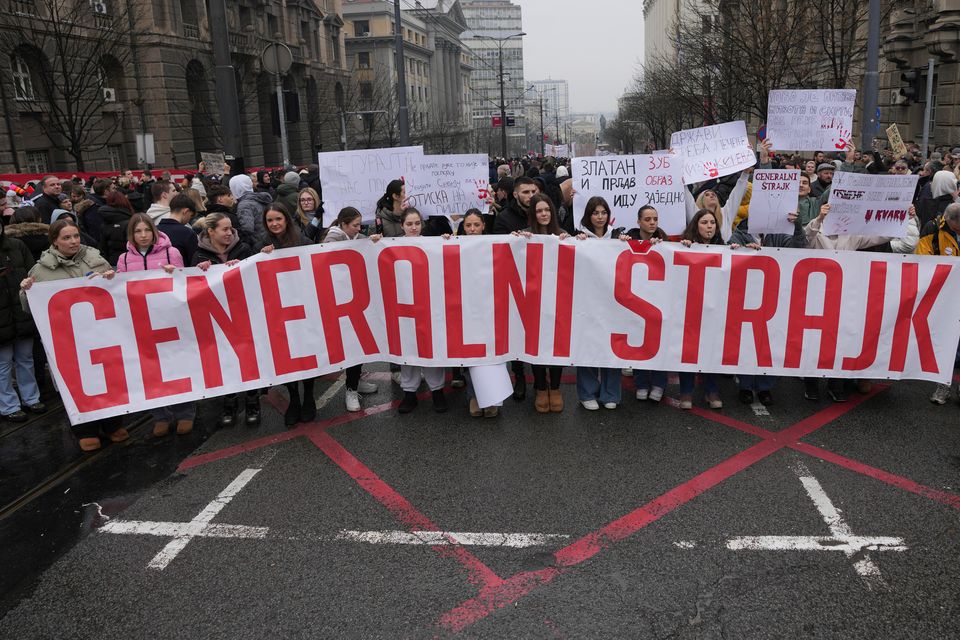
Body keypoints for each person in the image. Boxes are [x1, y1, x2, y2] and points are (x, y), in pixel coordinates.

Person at [20, 219, 122, 451]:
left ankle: (113, 424)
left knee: (107, 379)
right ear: (54, 241)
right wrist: (26, 291)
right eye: (66, 238)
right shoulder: (41, 270)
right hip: (67, 341)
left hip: (100, 335)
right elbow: (29, 307)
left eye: (75, 236)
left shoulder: (96, 259)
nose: (73, 241)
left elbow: (117, 289)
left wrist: (111, 278)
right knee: (76, 383)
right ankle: (85, 430)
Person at [114, 214, 192, 436]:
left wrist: (175, 273)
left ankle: (185, 412)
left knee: (176, 367)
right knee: (149, 370)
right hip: (141, 322)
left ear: (153, 231)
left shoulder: (171, 252)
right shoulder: (125, 259)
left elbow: (183, 284)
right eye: (138, 231)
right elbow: (120, 290)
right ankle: (161, 415)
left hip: (169, 320)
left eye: (146, 230)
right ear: (132, 234)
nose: (143, 235)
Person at [192, 213, 261, 427]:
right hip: (217, 320)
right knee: (226, 361)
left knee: (248, 358)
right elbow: (193, 290)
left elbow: (256, 277)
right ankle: (229, 402)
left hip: (243, 314)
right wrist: (198, 272)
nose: (230, 233)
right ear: (210, 232)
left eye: (231, 228)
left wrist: (241, 267)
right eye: (224, 229)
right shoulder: (198, 256)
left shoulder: (244, 249)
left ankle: (252, 401)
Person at [256, 203, 321, 425]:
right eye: (270, 220)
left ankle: (309, 396)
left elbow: (317, 264)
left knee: (306, 353)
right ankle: (294, 398)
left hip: (302, 308)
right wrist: (262, 256)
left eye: (278, 219)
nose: (274, 224)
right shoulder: (262, 244)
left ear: (286, 220)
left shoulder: (303, 241)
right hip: (278, 310)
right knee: (287, 356)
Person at [321, 207, 383, 413]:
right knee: (351, 344)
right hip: (341, 302)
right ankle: (350, 389)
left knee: (360, 343)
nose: (359, 228)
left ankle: (355, 381)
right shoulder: (331, 241)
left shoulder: (355, 237)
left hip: (356, 299)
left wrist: (372, 242)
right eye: (355, 225)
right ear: (344, 224)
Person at [442, 210, 503, 417]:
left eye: (476, 225)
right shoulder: (454, 244)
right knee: (471, 355)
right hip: (466, 309)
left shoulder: (496, 245)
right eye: (468, 226)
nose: (472, 230)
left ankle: (493, 397)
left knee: (492, 354)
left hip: (490, 307)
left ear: (483, 225)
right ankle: (475, 396)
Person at [513, 194, 570, 413]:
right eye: (539, 211)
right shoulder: (526, 236)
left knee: (556, 344)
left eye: (547, 210)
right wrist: (518, 240)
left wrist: (580, 242)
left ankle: (554, 388)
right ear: (533, 214)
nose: (544, 214)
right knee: (536, 344)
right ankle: (539, 387)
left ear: (553, 212)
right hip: (534, 301)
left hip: (559, 301)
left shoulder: (564, 235)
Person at [395, 208, 448, 414]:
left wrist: (446, 241)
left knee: (430, 346)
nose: (414, 227)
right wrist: (374, 242)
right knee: (407, 348)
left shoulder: (432, 244)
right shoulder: (391, 245)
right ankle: (409, 393)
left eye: (417, 223)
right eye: (409, 224)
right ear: (402, 226)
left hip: (429, 304)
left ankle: (437, 391)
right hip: (404, 305)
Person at [676, 210, 729, 409]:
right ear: (695, 225)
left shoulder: (725, 248)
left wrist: (744, 251)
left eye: (712, 223)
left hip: (714, 309)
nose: (709, 226)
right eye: (704, 222)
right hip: (689, 308)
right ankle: (686, 392)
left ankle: (711, 390)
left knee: (711, 349)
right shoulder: (684, 246)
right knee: (688, 350)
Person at [618, 205, 669, 401]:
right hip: (635, 300)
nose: (652, 222)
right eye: (647, 219)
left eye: (655, 218)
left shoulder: (665, 242)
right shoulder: (627, 239)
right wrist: (621, 242)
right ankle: (641, 383)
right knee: (639, 340)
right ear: (638, 221)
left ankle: (658, 384)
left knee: (658, 341)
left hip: (658, 300)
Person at [574, 197, 621, 410]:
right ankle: (587, 393)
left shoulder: (619, 236)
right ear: (588, 215)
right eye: (595, 213)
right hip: (587, 302)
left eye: (603, 212)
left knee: (613, 346)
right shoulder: (578, 237)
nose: (600, 217)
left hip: (614, 302)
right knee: (588, 346)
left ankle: (611, 393)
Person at [0, 216, 45, 422]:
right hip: (2, 317)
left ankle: (31, 398)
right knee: (3, 364)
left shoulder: (17, 245)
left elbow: (32, 273)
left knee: (25, 359)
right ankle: (8, 405)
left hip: (21, 313)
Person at [916, 202, 960, 404]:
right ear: (949, 220)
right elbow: (923, 260)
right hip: (945, 294)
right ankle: (943, 387)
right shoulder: (932, 228)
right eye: (956, 226)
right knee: (947, 342)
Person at [230, 174, 273, 247]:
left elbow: (247, 228)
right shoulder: (259, 198)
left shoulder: (244, 205)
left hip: (258, 245)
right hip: (269, 239)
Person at [159, 194, 200, 266]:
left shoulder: (154, 230)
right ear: (186, 211)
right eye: (190, 216)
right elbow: (194, 261)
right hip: (182, 274)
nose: (188, 220)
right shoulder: (188, 233)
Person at [98, 190, 137, 266]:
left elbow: (102, 247)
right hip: (131, 261)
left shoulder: (105, 222)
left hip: (113, 261)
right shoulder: (131, 221)